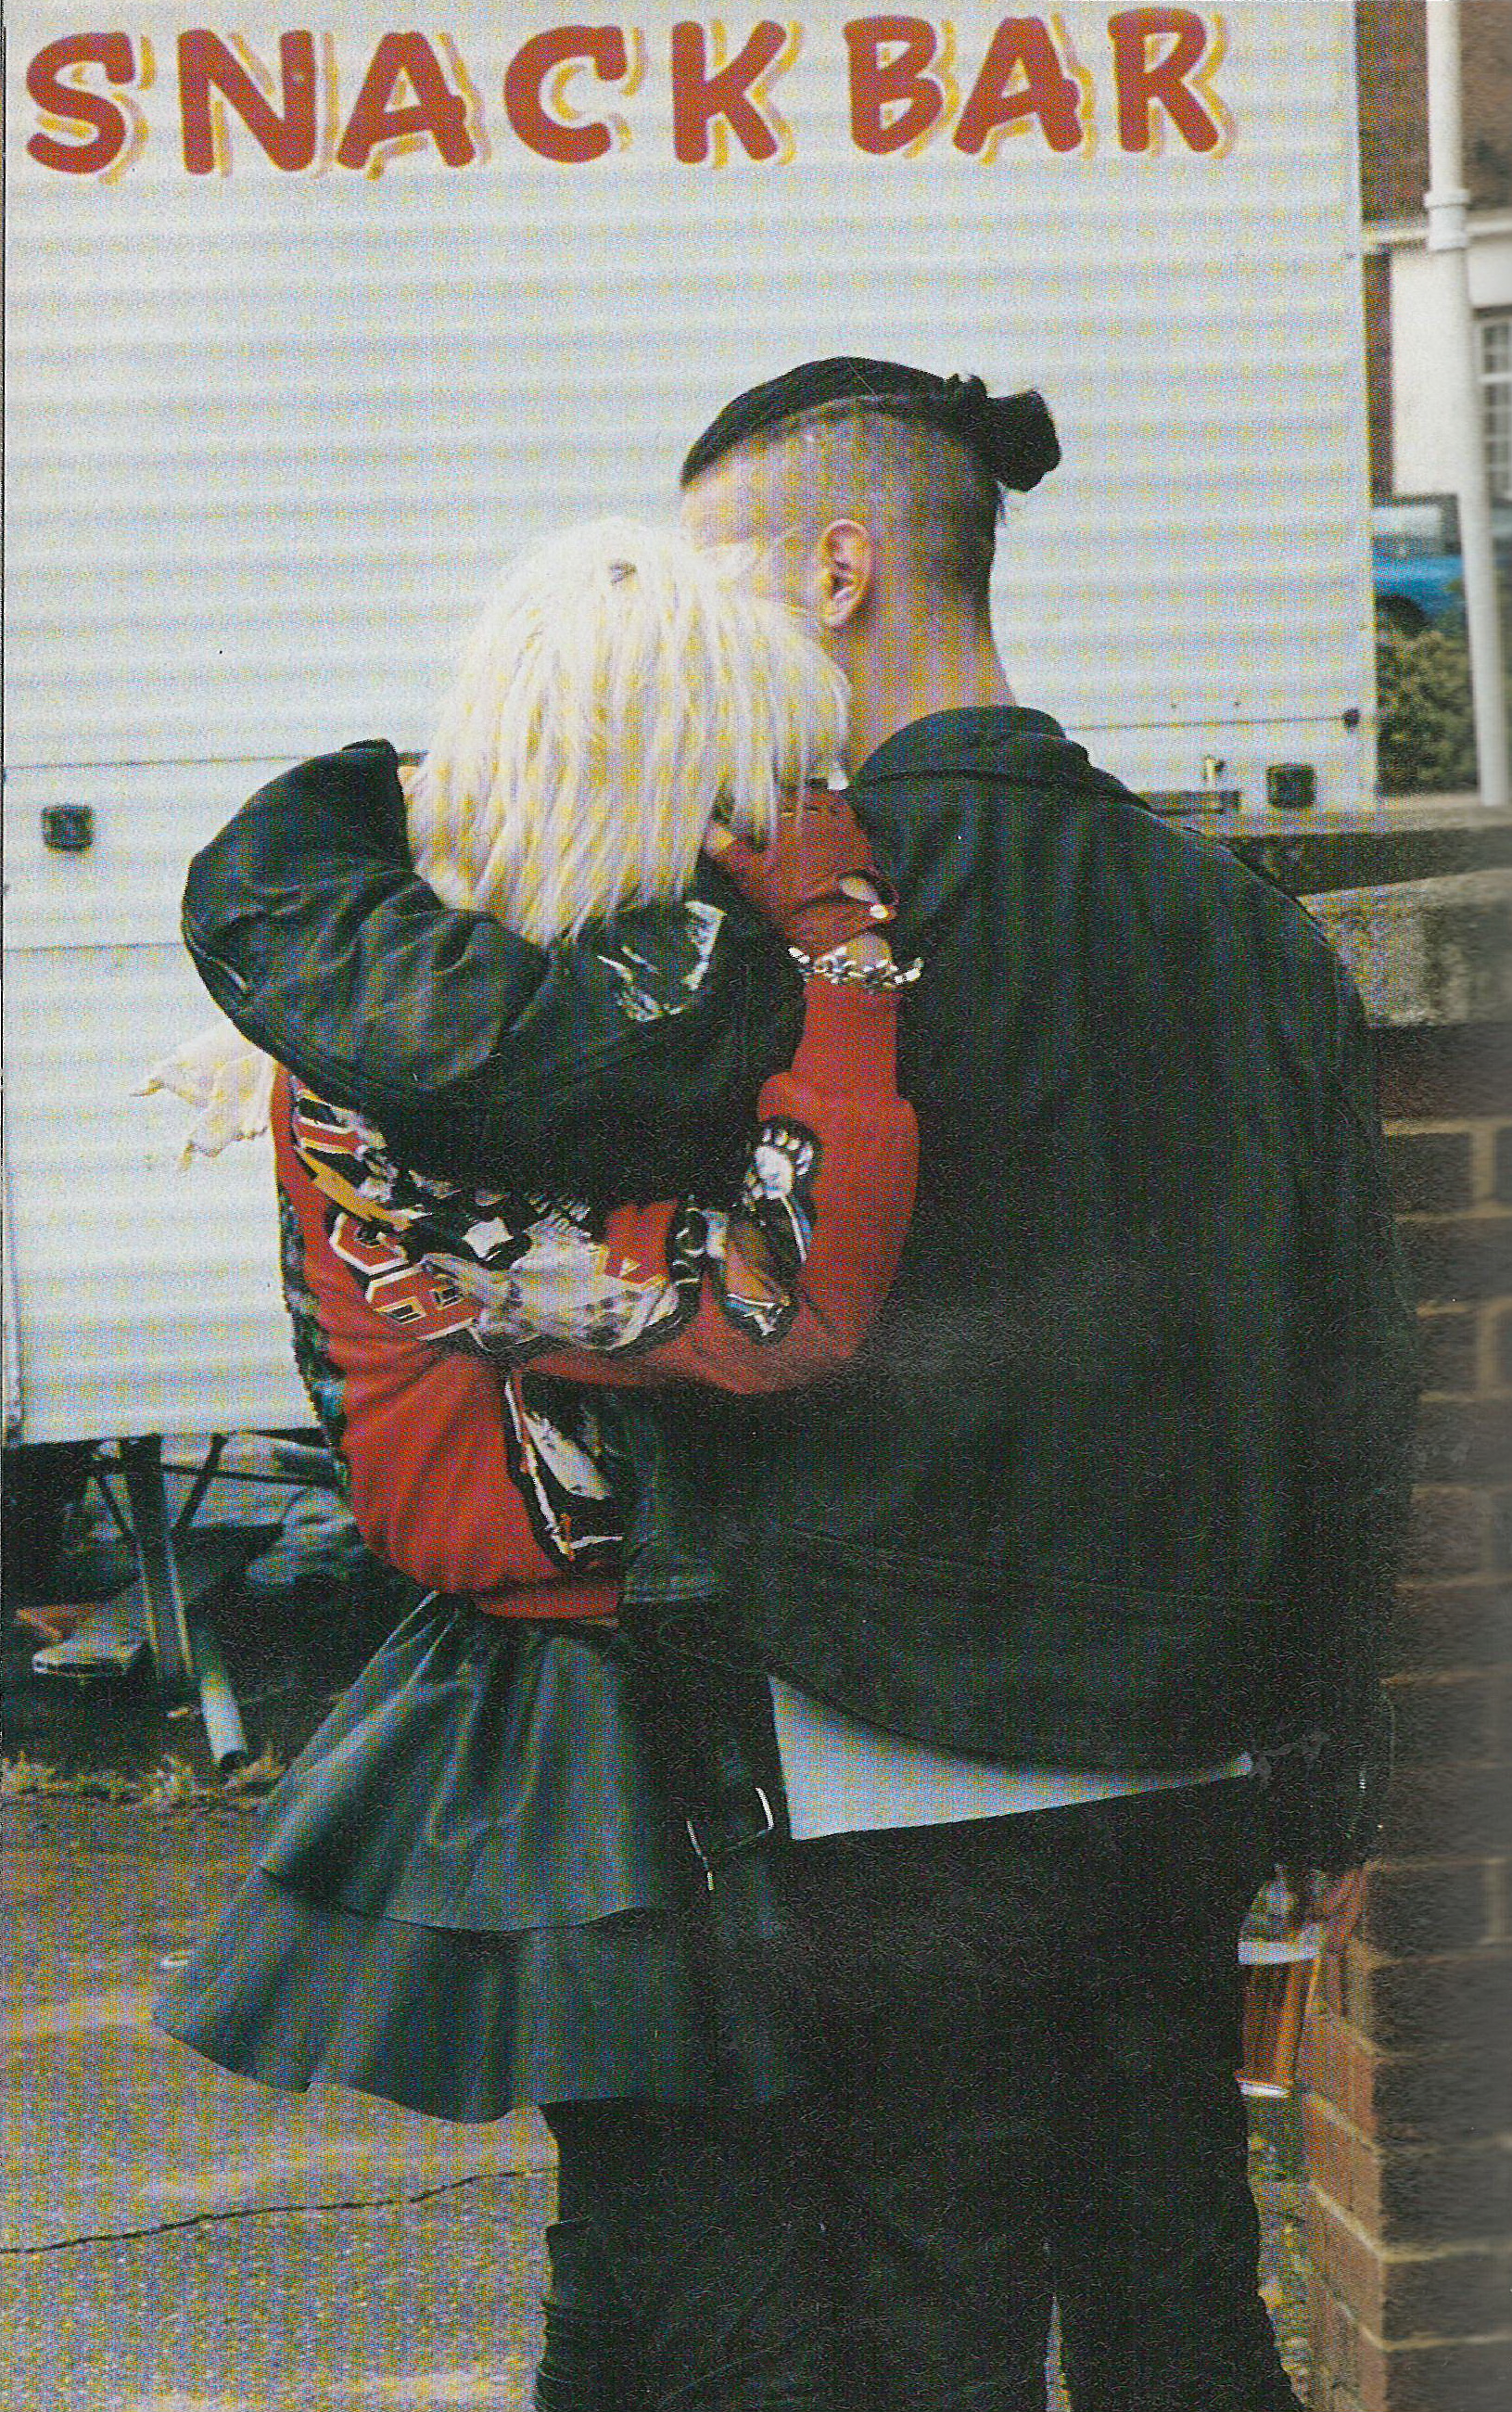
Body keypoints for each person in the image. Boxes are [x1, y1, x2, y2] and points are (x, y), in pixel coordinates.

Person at [180, 362, 1421, 2412]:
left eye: (717, 574)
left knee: (910, 2316)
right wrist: (1329, 1759)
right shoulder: (1250, 930)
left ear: (839, 572)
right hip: (1185, 1762)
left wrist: (312, 839)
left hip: (863, 1756)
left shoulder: (747, 937)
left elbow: (451, 1059)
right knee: (1181, 2297)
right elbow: (1353, 1379)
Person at [155, 519, 921, 2412]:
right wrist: (844, 954)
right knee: (727, 2252)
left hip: (611, 1667)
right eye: (747, 774)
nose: (776, 814)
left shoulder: (401, 1006)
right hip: (608, 1690)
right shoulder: (457, 1067)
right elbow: (777, 1308)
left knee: (669, 2230)